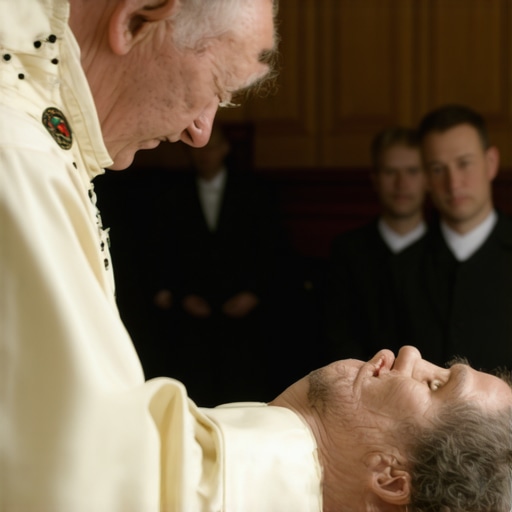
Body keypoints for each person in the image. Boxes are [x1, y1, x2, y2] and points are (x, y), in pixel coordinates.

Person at [1, 2, 511, 512]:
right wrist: (315, 448)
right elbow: (88, 472)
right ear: (135, 19)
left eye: (438, 380)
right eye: (217, 86)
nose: (201, 131)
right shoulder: (20, 158)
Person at [147, 123, 285, 404]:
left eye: (211, 146)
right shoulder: (171, 196)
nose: (204, 154)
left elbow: (273, 251)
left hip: (245, 312)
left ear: (225, 148)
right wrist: (182, 297)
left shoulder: (255, 192)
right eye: (197, 149)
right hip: (192, 312)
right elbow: (163, 252)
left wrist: (253, 293)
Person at [401, 103, 512, 370]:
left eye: (464, 164)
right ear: (426, 177)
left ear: (491, 163)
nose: (453, 183)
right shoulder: (399, 268)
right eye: (438, 169)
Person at [324, 126, 428, 360]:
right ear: (375, 180)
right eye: (391, 172)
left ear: (427, 179)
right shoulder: (348, 250)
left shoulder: (446, 250)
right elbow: (338, 335)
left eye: (412, 171)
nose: (401, 183)